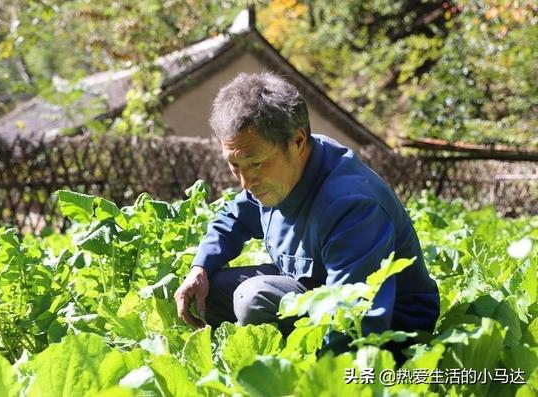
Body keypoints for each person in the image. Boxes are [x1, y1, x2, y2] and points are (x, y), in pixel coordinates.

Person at [173, 72, 439, 361]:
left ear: (298, 142)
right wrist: (200, 267)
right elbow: (234, 218)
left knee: (254, 298)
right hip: (315, 289)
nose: (245, 181)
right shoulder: (279, 169)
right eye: (234, 165)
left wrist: (324, 383)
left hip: (389, 327)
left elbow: (357, 314)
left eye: (255, 163)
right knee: (208, 291)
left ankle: (290, 373)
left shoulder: (351, 203)